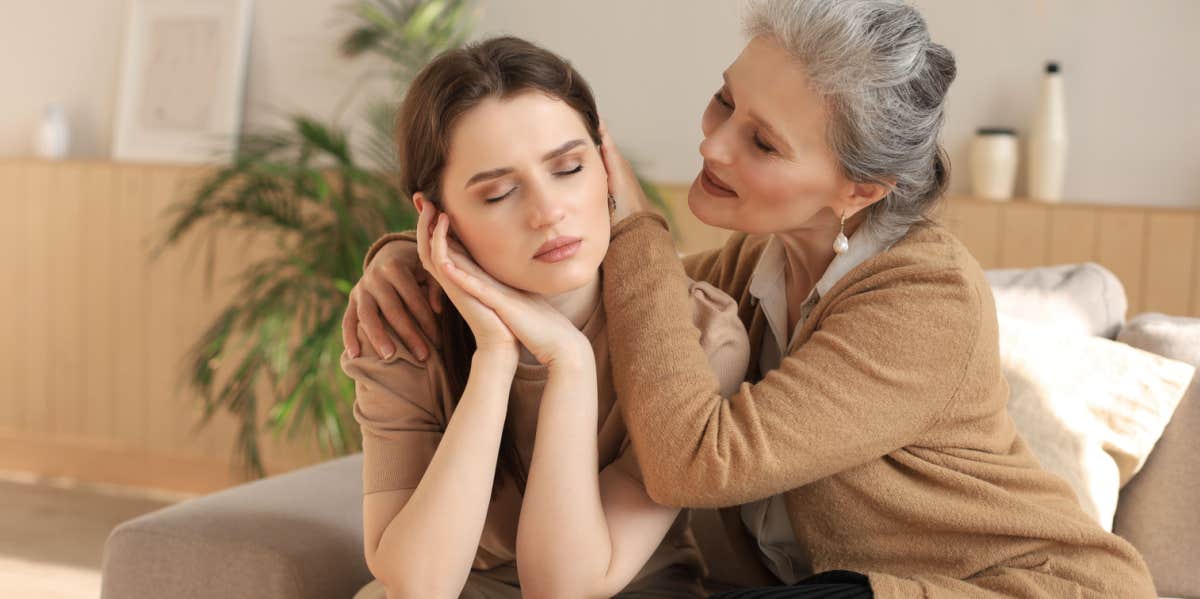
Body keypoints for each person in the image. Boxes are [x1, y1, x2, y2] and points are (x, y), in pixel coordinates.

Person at [343, 1, 1158, 597]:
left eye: (762, 142)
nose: (713, 143)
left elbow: (694, 454)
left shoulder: (926, 297)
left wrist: (638, 226)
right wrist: (410, 264)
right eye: (727, 100)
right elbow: (599, 293)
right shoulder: (753, 269)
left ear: (857, 188)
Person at [339, 35, 751, 599]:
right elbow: (417, 586)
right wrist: (496, 354)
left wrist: (570, 363)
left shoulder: (701, 336)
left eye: (569, 167)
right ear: (438, 217)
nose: (548, 211)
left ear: (608, 166)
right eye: (499, 192)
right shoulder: (404, 321)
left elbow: (563, 588)